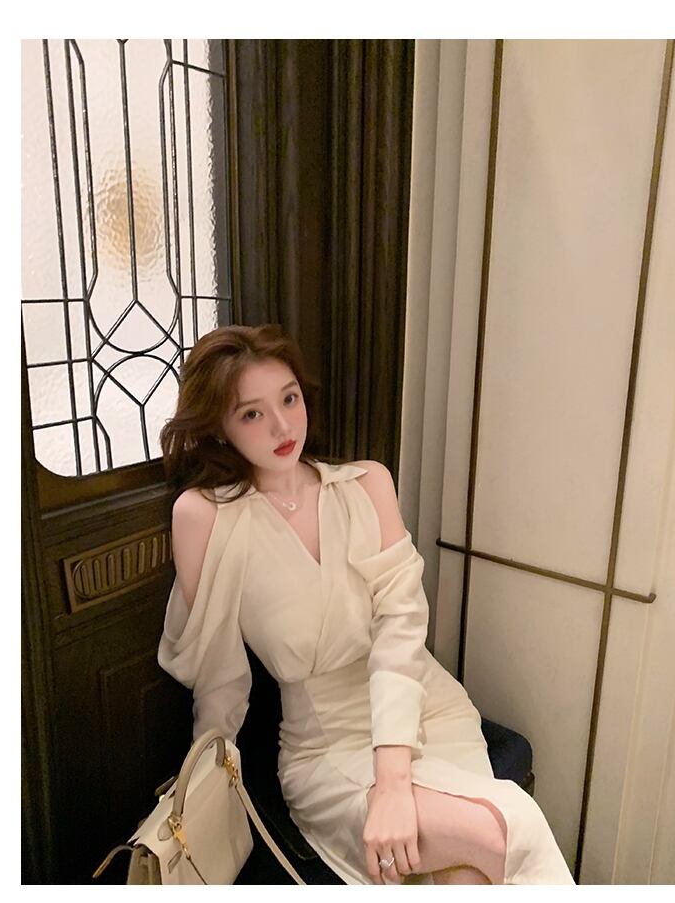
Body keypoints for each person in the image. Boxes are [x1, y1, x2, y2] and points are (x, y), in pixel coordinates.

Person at [157, 323, 574, 885]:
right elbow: (220, 679)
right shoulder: (207, 518)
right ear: (220, 428)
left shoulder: (367, 485)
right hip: (326, 749)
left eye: (289, 399)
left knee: (467, 875)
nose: (283, 426)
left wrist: (394, 782)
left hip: (422, 710)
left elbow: (402, 628)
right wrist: (207, 789)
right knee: (505, 830)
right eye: (252, 413)